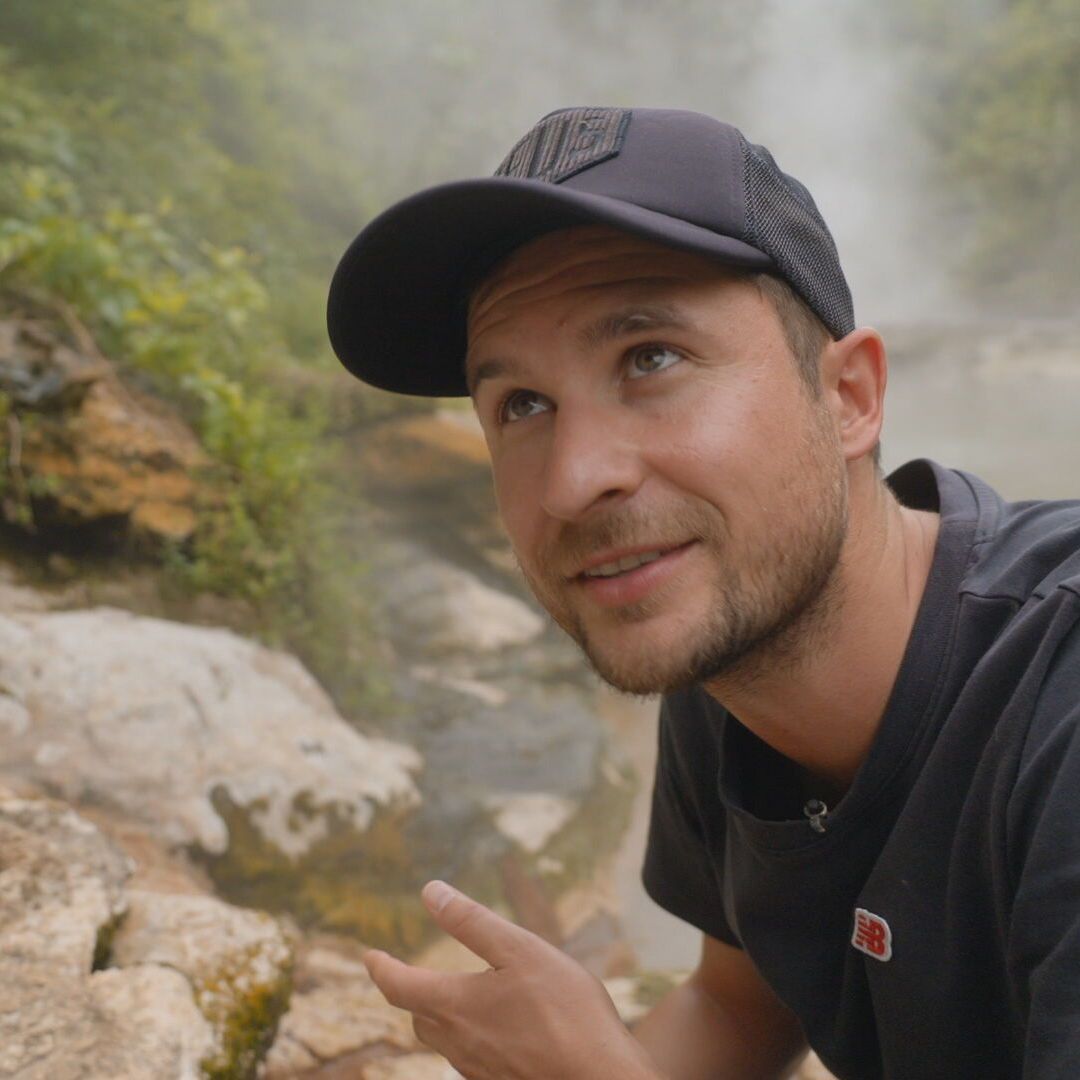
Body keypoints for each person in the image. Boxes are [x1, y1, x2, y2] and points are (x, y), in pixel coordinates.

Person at [326, 107, 1080, 1079]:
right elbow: (736, 1006)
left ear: (849, 397)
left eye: (651, 359)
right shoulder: (726, 664)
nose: (572, 481)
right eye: (522, 405)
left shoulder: (1056, 715)